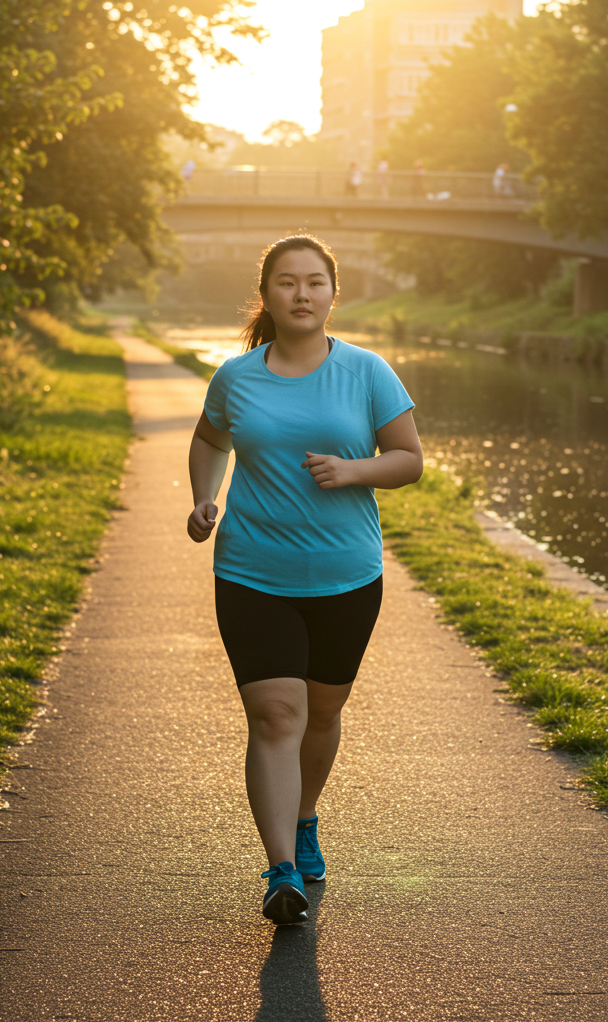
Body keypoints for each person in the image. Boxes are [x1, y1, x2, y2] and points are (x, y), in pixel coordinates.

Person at [186, 235, 423, 925]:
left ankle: (306, 814)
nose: (301, 293)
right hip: (253, 571)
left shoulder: (367, 371)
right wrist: (205, 496)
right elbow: (209, 440)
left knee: (320, 714)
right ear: (266, 295)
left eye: (314, 282)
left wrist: (354, 470)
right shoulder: (236, 376)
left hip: (347, 575)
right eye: (286, 282)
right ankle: (281, 868)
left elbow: (408, 460)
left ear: (332, 294)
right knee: (277, 716)